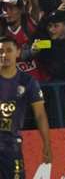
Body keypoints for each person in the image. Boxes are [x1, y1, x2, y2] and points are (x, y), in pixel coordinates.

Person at [0, 37, 52, 178]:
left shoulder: (27, 82)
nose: (4, 55)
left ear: (18, 53)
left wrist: (46, 143)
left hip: (12, 147)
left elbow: (40, 114)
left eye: (9, 50)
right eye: (0, 51)